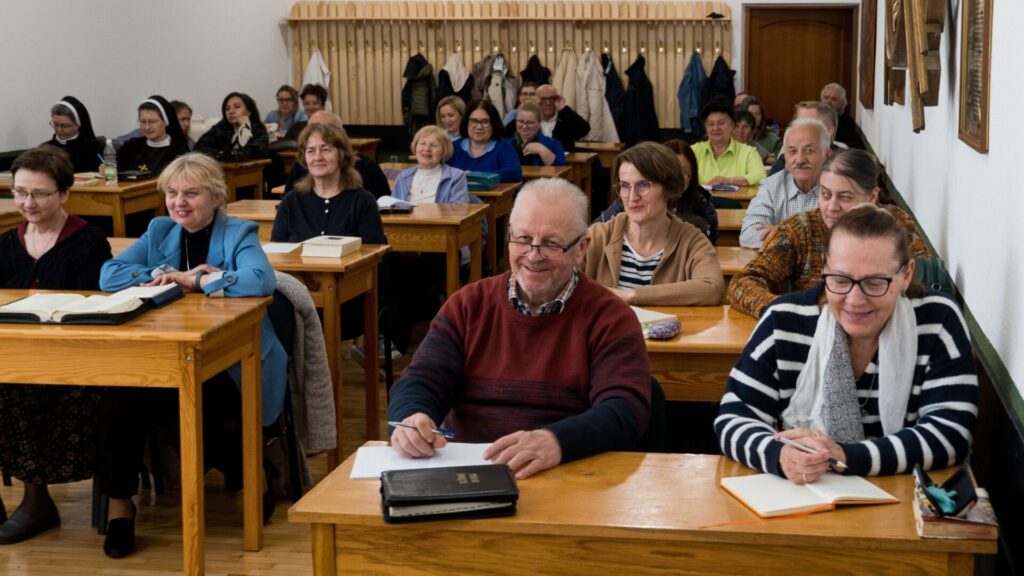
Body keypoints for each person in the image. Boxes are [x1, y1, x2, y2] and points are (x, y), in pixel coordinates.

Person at [387, 178, 651, 479]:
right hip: (469, 476)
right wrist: (411, 418)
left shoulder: (610, 317)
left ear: (581, 248)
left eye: (551, 244)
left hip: (568, 476)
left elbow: (625, 410)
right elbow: (422, 378)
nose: (533, 255)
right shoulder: (468, 305)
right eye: (523, 239)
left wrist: (556, 441)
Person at [97, 153, 286, 558]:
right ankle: (119, 506)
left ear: (216, 197)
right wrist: (159, 273)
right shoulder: (159, 229)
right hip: (167, 351)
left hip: (235, 358)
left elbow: (260, 279)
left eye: (191, 193)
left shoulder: (237, 232)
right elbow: (108, 275)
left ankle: (248, 468)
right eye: (172, 192)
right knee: (119, 394)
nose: (179, 202)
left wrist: (196, 279)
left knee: (183, 401)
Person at [716, 204, 977, 482]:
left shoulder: (937, 322)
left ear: (906, 274)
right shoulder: (783, 321)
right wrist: (779, 455)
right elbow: (734, 418)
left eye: (875, 283)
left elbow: (951, 433)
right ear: (824, 268)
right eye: (840, 280)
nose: (854, 300)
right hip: (802, 498)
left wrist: (846, 456)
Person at [0, 146, 112, 544]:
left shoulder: (89, 240)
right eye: (20, 192)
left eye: (39, 194)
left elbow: (94, 310)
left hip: (73, 359)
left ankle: (36, 499)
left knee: (19, 392)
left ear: (65, 193)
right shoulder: (6, 243)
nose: (27, 203)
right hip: (13, 351)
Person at [729, 149, 929, 318]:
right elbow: (743, 283)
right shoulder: (800, 228)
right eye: (825, 194)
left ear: (872, 196)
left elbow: (922, 281)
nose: (831, 207)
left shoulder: (896, 224)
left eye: (845, 197)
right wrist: (791, 310)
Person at [584, 142, 723, 306]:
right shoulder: (598, 235)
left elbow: (712, 289)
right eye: (625, 186)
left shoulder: (692, 241)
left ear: (668, 188)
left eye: (642, 185)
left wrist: (631, 295)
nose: (632, 197)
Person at [595, 139, 719, 244]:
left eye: (683, 171)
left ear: (692, 175)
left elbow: (709, 237)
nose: (676, 177)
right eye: (669, 171)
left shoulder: (702, 205)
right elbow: (595, 230)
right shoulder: (629, 201)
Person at [739, 118, 831, 248]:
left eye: (809, 150)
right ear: (785, 158)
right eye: (792, 151)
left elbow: (842, 239)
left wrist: (786, 234)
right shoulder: (771, 187)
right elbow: (748, 235)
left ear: (827, 154)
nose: (799, 160)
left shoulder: (840, 188)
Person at [283, 111, 391, 199]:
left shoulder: (367, 167)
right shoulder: (298, 170)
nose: (317, 157)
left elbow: (385, 204)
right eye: (310, 150)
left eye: (325, 149)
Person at [691, 99, 766, 187]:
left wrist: (728, 181)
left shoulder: (748, 152)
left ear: (733, 125)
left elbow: (760, 176)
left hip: (737, 200)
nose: (715, 128)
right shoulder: (694, 151)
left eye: (721, 123)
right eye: (710, 124)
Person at [110, 96, 191, 175]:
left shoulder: (179, 152)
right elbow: (113, 170)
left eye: (152, 121)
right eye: (143, 121)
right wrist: (106, 168)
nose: (147, 127)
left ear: (165, 122)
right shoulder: (131, 146)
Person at [447, 99, 522, 183]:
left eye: (485, 121)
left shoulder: (504, 147)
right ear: (466, 123)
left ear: (493, 124)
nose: (479, 127)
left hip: (491, 196)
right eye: (473, 121)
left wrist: (476, 176)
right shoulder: (453, 148)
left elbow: (515, 172)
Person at [768, 101, 845, 175]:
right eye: (797, 123)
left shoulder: (846, 162)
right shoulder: (785, 159)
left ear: (828, 131)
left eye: (807, 124)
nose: (799, 160)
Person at [194, 92, 269, 161]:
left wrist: (245, 127)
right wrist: (222, 154)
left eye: (237, 107)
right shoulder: (220, 128)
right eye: (227, 108)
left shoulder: (259, 132)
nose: (231, 111)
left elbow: (243, 155)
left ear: (249, 112)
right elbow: (198, 147)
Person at [43, 96, 103, 173]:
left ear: (78, 124)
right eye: (55, 124)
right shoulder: (45, 149)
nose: (59, 130)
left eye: (64, 126)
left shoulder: (92, 147)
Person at [508, 101, 566, 167]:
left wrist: (542, 150)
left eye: (530, 122)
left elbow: (562, 171)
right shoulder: (505, 145)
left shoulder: (553, 144)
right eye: (521, 121)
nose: (524, 126)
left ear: (539, 124)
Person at [535, 84, 590, 153]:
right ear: (537, 101)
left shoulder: (565, 117)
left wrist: (563, 108)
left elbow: (584, 130)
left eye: (552, 98)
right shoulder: (532, 119)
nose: (548, 103)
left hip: (566, 161)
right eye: (543, 99)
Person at [821, 82, 862, 149]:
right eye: (826, 97)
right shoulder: (814, 118)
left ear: (841, 103)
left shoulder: (847, 122)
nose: (828, 102)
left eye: (834, 99)